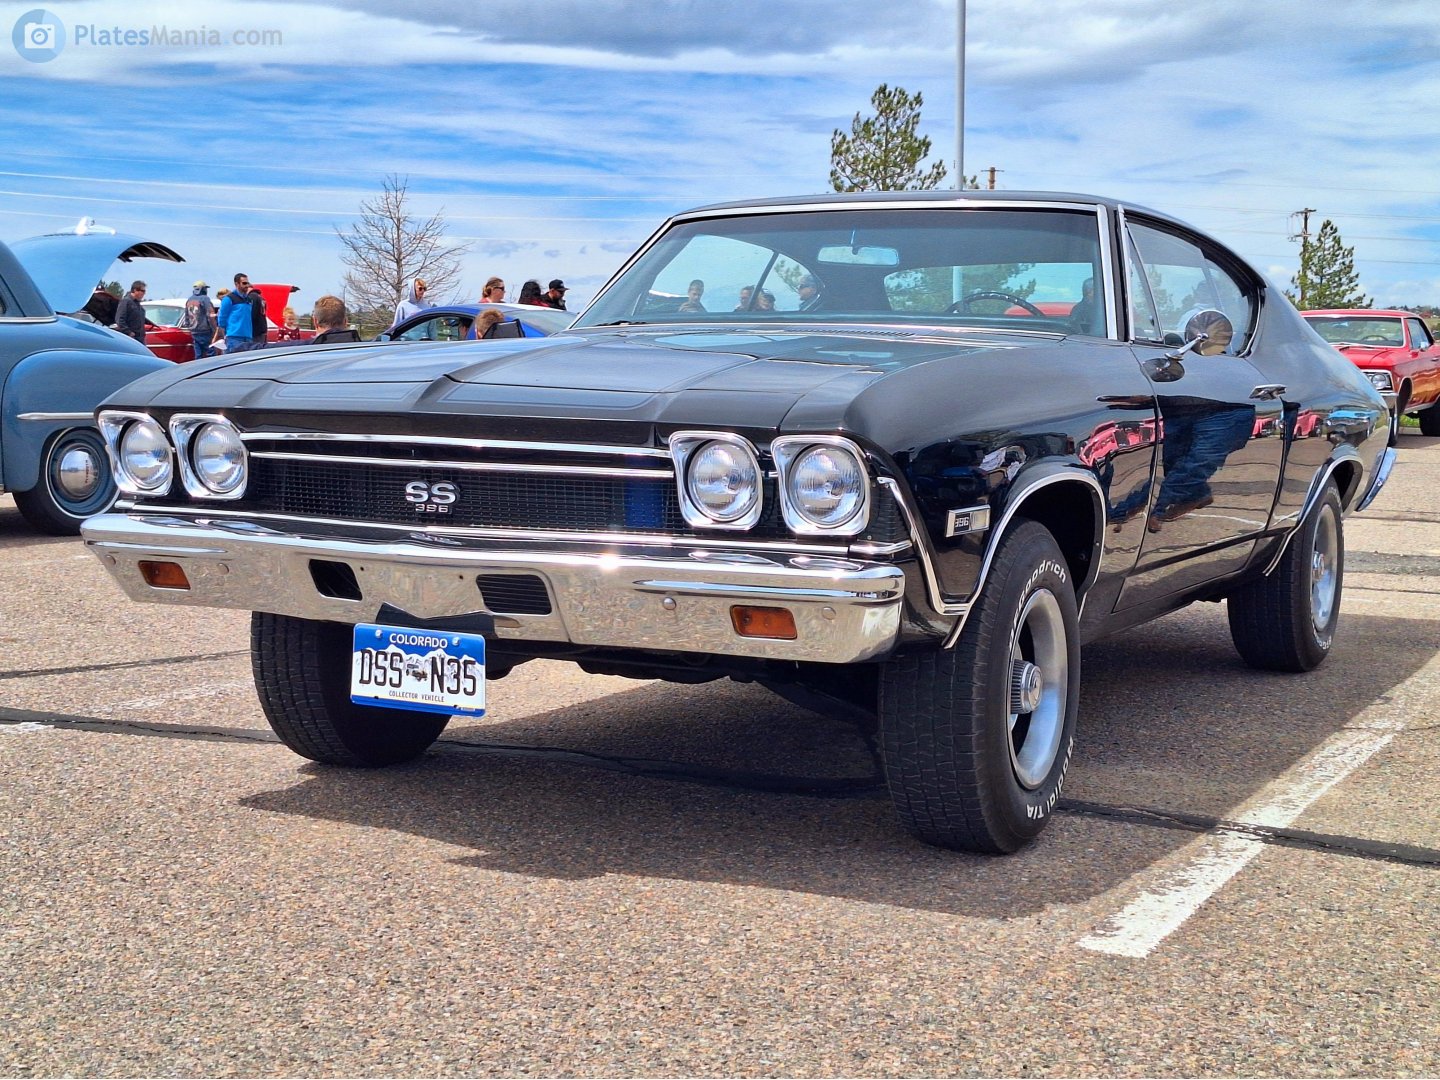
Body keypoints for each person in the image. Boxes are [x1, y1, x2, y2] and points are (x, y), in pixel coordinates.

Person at [214, 272, 263, 354]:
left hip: (248, 338)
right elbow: (222, 319)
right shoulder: (229, 299)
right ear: (236, 284)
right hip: (234, 338)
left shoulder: (249, 300)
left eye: (247, 283)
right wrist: (222, 335)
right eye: (244, 283)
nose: (247, 285)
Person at [177, 280, 216, 360]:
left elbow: (186, 316)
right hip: (205, 331)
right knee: (210, 354)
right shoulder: (205, 299)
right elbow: (210, 315)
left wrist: (189, 327)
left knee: (198, 355)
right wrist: (215, 329)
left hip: (194, 331)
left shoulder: (189, 300)